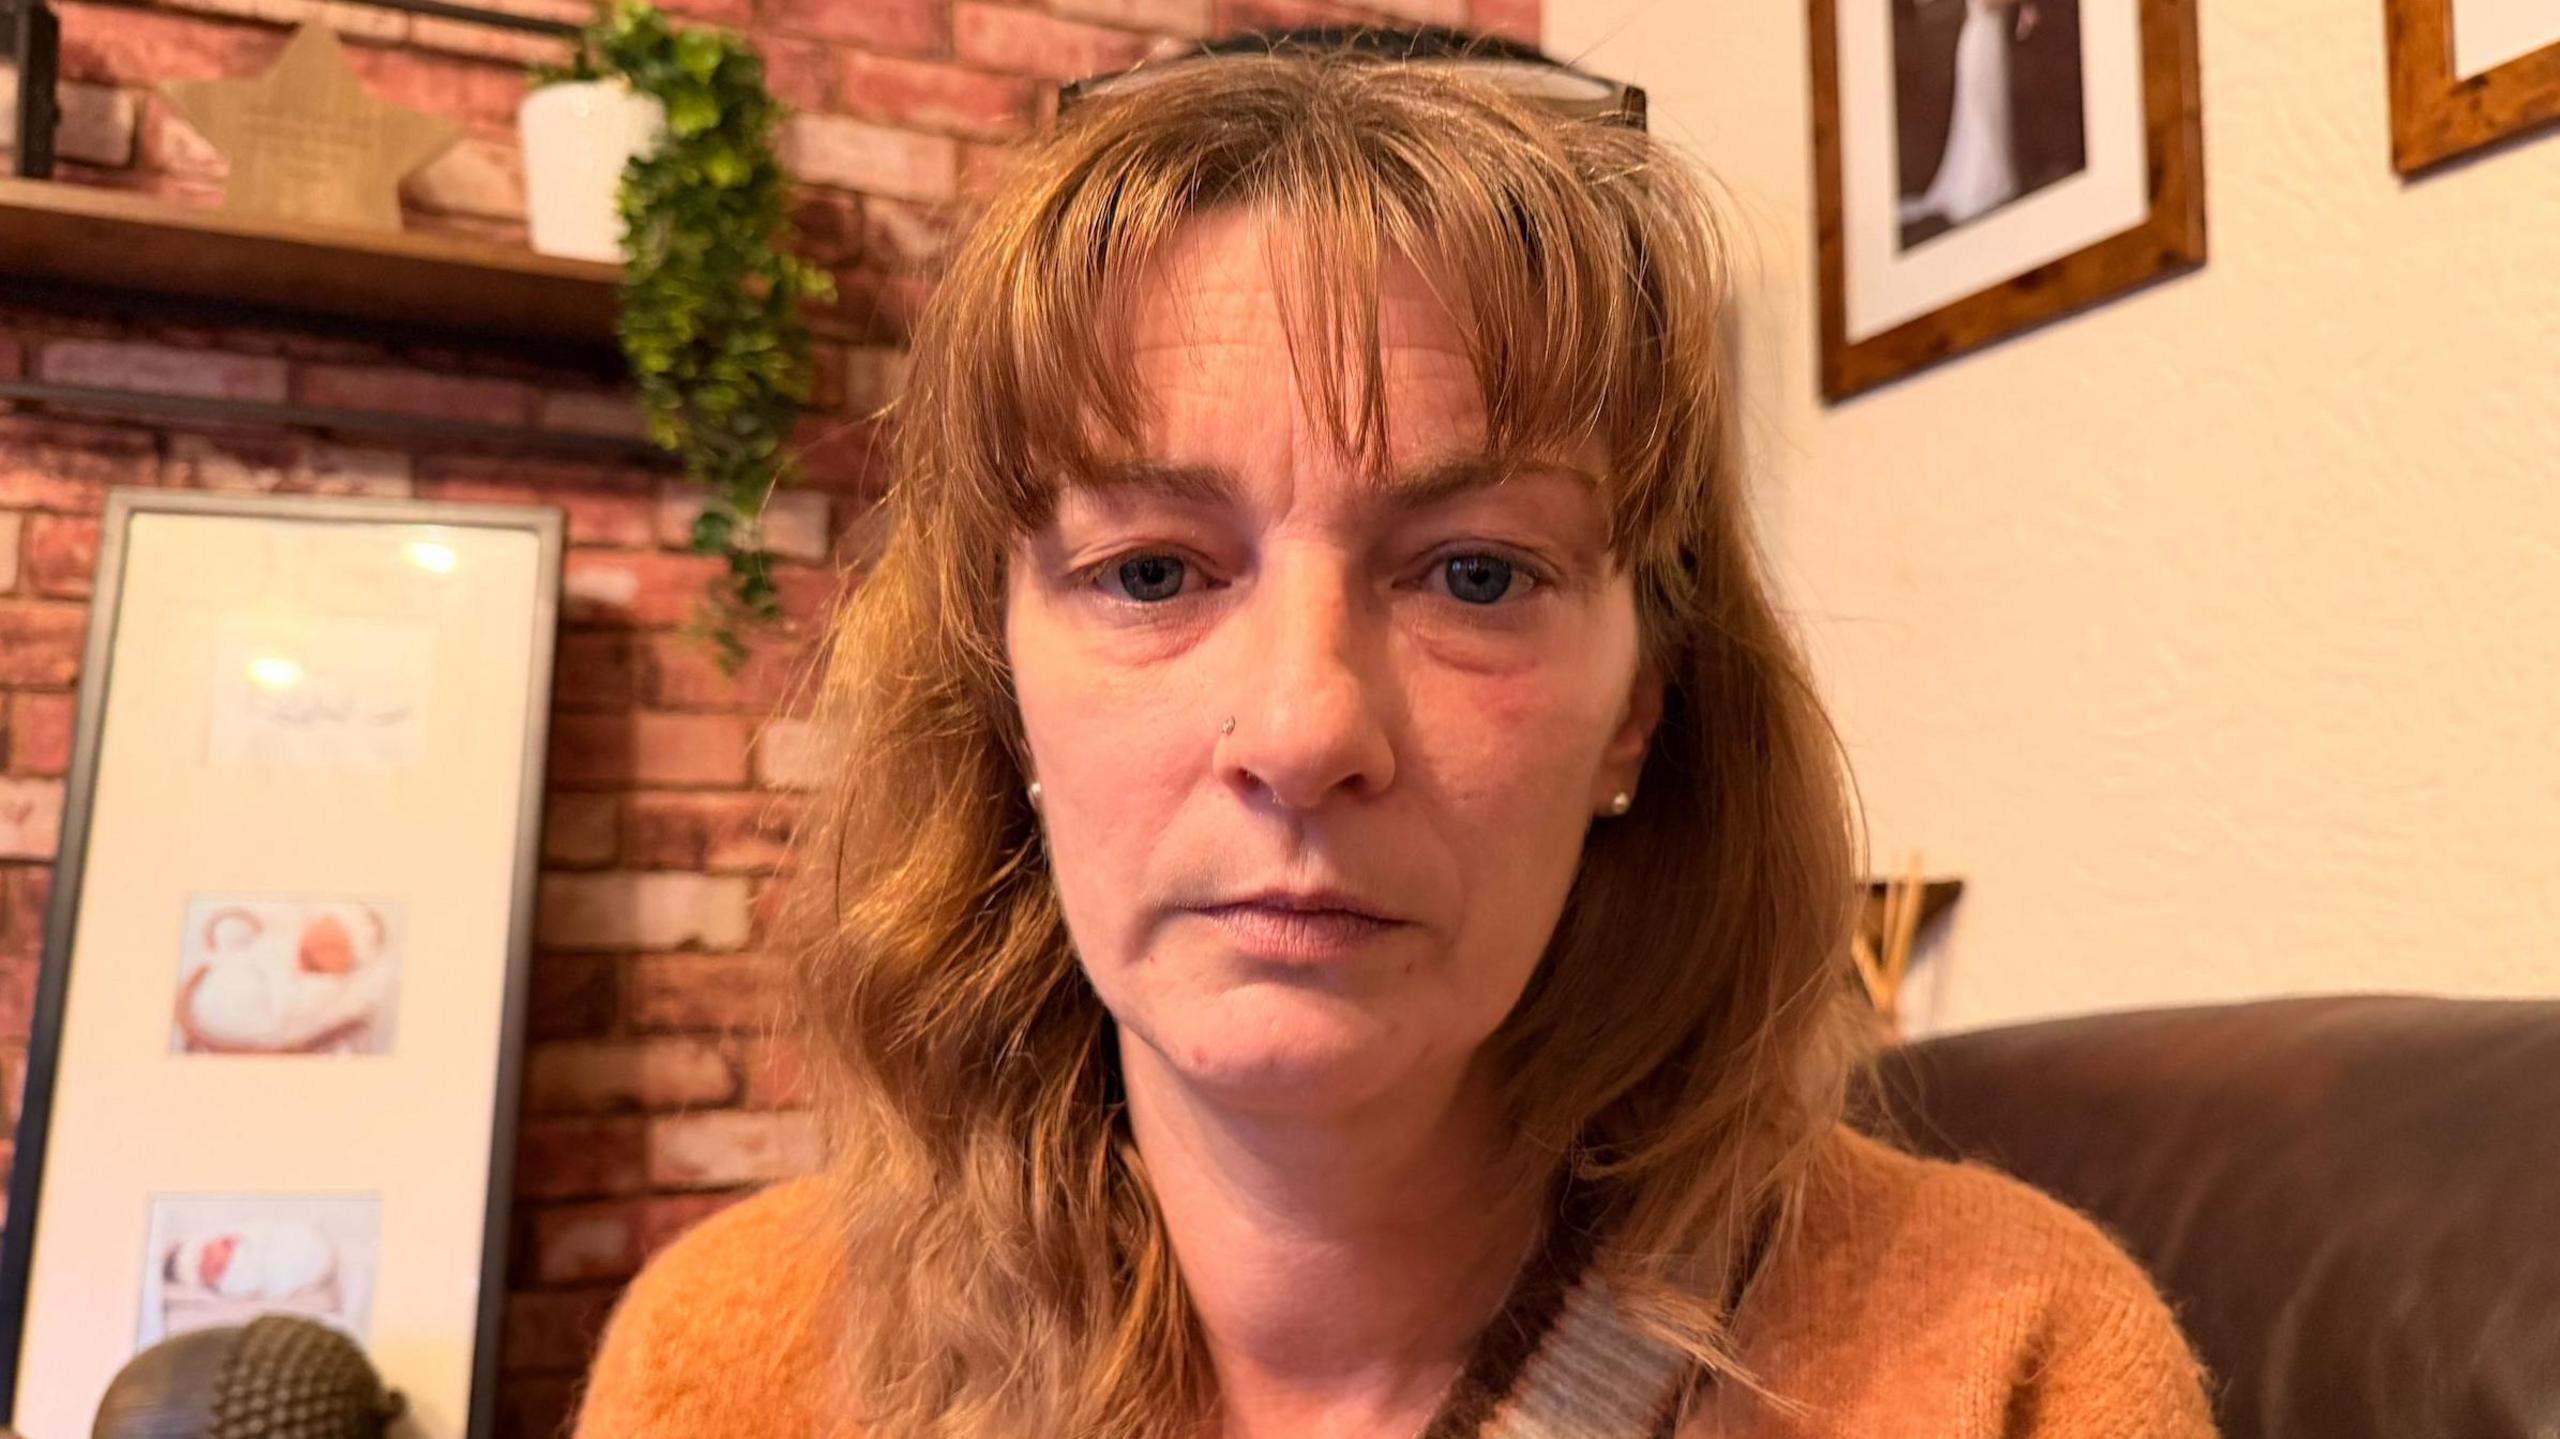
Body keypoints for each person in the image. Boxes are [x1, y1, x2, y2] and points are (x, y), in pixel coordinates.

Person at [571, 35, 2219, 1439]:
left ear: (1640, 702)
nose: (1302, 731)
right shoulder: (733, 1367)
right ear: (997, 686)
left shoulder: (2013, 1363)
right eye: (1152, 570)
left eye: (1478, 574)